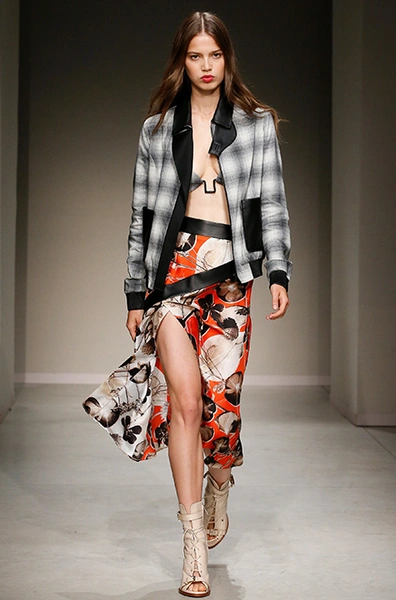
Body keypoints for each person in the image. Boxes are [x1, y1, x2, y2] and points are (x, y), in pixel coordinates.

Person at [86, 10, 291, 598]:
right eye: (195, 56)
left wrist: (279, 270)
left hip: (230, 278)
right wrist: (136, 291)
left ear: (227, 59)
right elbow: (141, 215)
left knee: (222, 407)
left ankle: (220, 478)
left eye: (215, 55)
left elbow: (272, 202)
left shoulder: (255, 125)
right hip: (172, 276)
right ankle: (192, 542)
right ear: (182, 60)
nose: (206, 66)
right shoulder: (157, 131)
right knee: (186, 400)